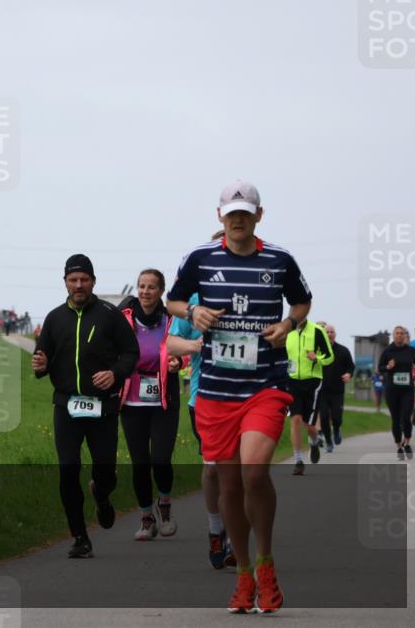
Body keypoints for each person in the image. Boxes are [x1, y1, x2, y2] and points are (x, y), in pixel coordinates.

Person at [166, 181, 311, 614]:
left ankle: (265, 564)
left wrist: (288, 325)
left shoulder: (279, 259)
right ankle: (244, 572)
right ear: (220, 217)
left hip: (264, 384)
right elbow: (173, 301)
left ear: (259, 215)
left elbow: (302, 303)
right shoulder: (199, 258)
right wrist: (192, 311)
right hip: (214, 389)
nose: (239, 219)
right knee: (228, 483)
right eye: (232, 213)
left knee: (252, 472)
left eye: (246, 212)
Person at [32, 254, 139, 558]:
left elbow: (131, 353)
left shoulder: (108, 315)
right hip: (66, 406)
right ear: (65, 282)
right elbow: (42, 362)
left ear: (93, 281)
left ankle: (102, 496)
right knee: (68, 470)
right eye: (73, 280)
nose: (78, 285)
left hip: (102, 407)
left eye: (84, 279)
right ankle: (80, 537)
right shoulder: (54, 318)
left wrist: (115, 374)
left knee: (105, 471)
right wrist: (39, 365)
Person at [168, 289, 237, 569]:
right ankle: (214, 530)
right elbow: (172, 344)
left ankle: (233, 539)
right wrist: (197, 346)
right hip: (205, 398)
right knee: (213, 469)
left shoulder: (252, 293)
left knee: (237, 472)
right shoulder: (194, 300)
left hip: (244, 399)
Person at [118, 269, 182, 541]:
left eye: (151, 287)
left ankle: (164, 505)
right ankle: (146, 518)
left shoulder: (172, 320)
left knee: (161, 459)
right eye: (142, 286)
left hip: (163, 400)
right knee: (140, 463)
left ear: (161, 291)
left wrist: (180, 362)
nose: (145, 291)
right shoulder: (124, 319)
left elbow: (185, 346)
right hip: (132, 400)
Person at [285, 320, 334, 475]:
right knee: (295, 419)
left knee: (309, 424)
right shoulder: (287, 330)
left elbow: (329, 356)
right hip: (292, 381)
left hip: (312, 382)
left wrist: (317, 358)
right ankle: (298, 460)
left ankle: (314, 441)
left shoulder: (317, 331)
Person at [378, 326, 415, 460]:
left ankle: (406, 441)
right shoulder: (388, 351)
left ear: (405, 335)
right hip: (392, 391)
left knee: (406, 416)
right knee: (396, 419)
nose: (400, 335)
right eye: (397, 333)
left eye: (402, 333)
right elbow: (380, 368)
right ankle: (398, 446)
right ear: (393, 335)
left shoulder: (411, 350)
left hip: (407, 390)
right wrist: (388, 367)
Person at [317, 324, 354, 451]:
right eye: (326, 332)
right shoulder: (318, 350)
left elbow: (351, 366)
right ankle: (328, 442)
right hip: (322, 391)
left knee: (337, 417)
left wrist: (349, 374)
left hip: (337, 390)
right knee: (324, 417)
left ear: (335, 334)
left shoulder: (343, 350)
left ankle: (337, 429)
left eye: (331, 332)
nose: (329, 334)